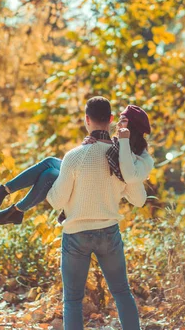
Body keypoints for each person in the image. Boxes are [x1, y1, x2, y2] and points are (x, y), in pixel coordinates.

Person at [46, 96, 148, 329]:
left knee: (72, 300)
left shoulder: (73, 157)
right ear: (111, 120)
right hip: (108, 233)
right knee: (122, 293)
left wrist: (50, 185)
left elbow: (56, 201)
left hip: (76, 235)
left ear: (86, 120)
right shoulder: (121, 157)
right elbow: (139, 200)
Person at [0, 103, 153, 225]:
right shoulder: (118, 143)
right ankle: (4, 195)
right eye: (119, 121)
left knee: (48, 174)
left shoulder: (141, 158)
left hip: (98, 197)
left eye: (123, 122)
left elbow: (129, 176)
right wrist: (93, 142)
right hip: (89, 183)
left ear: (132, 128)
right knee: (49, 162)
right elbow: (104, 157)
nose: (117, 125)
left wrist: (121, 141)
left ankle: (14, 209)